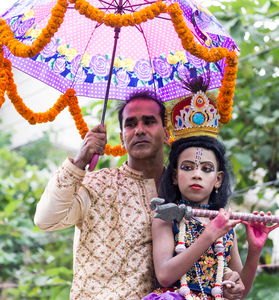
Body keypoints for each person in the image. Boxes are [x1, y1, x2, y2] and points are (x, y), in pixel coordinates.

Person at [34, 91, 245, 299]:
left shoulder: (186, 191)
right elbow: (45, 220)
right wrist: (80, 160)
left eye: (149, 121)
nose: (139, 130)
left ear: (166, 133)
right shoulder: (96, 184)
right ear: (122, 138)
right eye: (131, 124)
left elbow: (207, 265)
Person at [143, 77, 279, 300]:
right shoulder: (166, 216)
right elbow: (165, 275)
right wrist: (209, 235)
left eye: (206, 169)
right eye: (187, 167)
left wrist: (255, 249)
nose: (197, 174)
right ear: (175, 176)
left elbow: (240, 291)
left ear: (218, 180)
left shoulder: (225, 225)